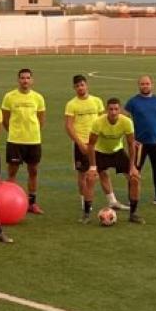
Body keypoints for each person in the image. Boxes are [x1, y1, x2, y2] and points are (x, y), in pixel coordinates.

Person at [0, 67, 48, 215]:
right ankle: (9, 203)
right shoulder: (9, 97)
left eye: (28, 78)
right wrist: (14, 132)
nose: (25, 80)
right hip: (15, 140)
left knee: (33, 171)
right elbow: (5, 119)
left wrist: (32, 132)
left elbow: (41, 120)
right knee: (12, 172)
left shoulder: (38, 98)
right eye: (22, 78)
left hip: (33, 140)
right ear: (18, 80)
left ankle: (32, 203)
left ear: (32, 80)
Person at [123, 75, 156, 207]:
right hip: (140, 145)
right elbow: (123, 120)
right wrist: (131, 140)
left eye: (147, 83)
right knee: (135, 171)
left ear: (152, 84)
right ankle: (131, 198)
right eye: (142, 84)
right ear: (138, 86)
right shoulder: (133, 102)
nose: (145, 86)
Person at [62, 74, 106, 222]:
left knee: (98, 172)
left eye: (82, 85)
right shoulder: (71, 104)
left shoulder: (97, 101)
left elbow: (102, 121)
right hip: (81, 142)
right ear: (74, 88)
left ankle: (111, 199)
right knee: (82, 174)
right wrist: (80, 143)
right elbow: (68, 126)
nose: (80, 88)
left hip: (97, 143)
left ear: (87, 85)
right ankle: (84, 200)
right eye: (77, 86)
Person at [92, 96, 142, 222]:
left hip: (117, 151)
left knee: (135, 178)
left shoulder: (126, 122)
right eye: (110, 109)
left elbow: (131, 145)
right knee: (99, 175)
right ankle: (108, 203)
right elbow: (91, 145)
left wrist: (132, 167)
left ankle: (133, 213)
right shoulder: (98, 122)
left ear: (120, 110)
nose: (113, 112)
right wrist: (92, 167)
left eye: (116, 109)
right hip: (100, 151)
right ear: (106, 110)